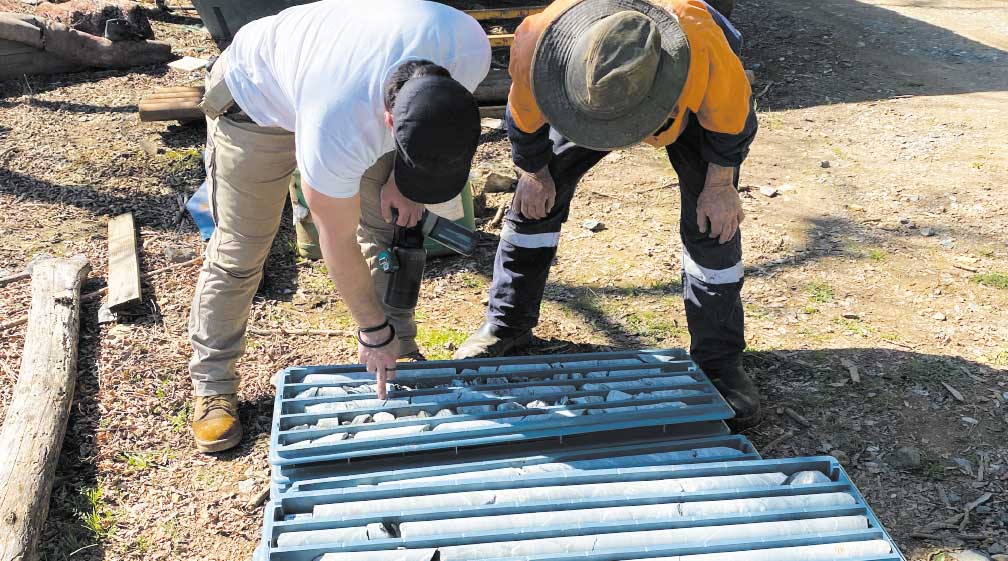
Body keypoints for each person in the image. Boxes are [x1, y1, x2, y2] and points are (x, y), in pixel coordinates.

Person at [187, 0, 490, 453]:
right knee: (241, 251)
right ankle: (213, 386)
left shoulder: (468, 48)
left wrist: (403, 182)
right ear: (389, 121)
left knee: (390, 225)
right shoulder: (339, 124)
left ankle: (399, 351)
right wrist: (371, 330)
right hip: (254, 102)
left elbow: (426, 134)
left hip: (334, 79)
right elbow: (336, 237)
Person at [454, 0, 762, 426]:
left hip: (691, 111)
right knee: (532, 201)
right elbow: (524, 121)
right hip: (582, 99)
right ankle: (507, 324)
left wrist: (720, 187)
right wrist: (534, 173)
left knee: (713, 224)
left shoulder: (703, 47)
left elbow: (732, 124)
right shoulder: (539, 43)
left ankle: (719, 363)